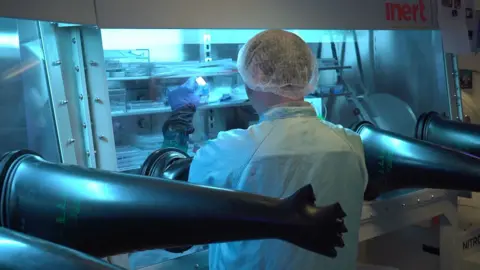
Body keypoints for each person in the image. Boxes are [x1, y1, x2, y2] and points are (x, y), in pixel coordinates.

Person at [167, 30, 368, 270]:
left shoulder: (228, 152)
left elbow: (176, 197)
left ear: (257, 76)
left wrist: (178, 123)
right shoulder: (351, 143)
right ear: (307, 74)